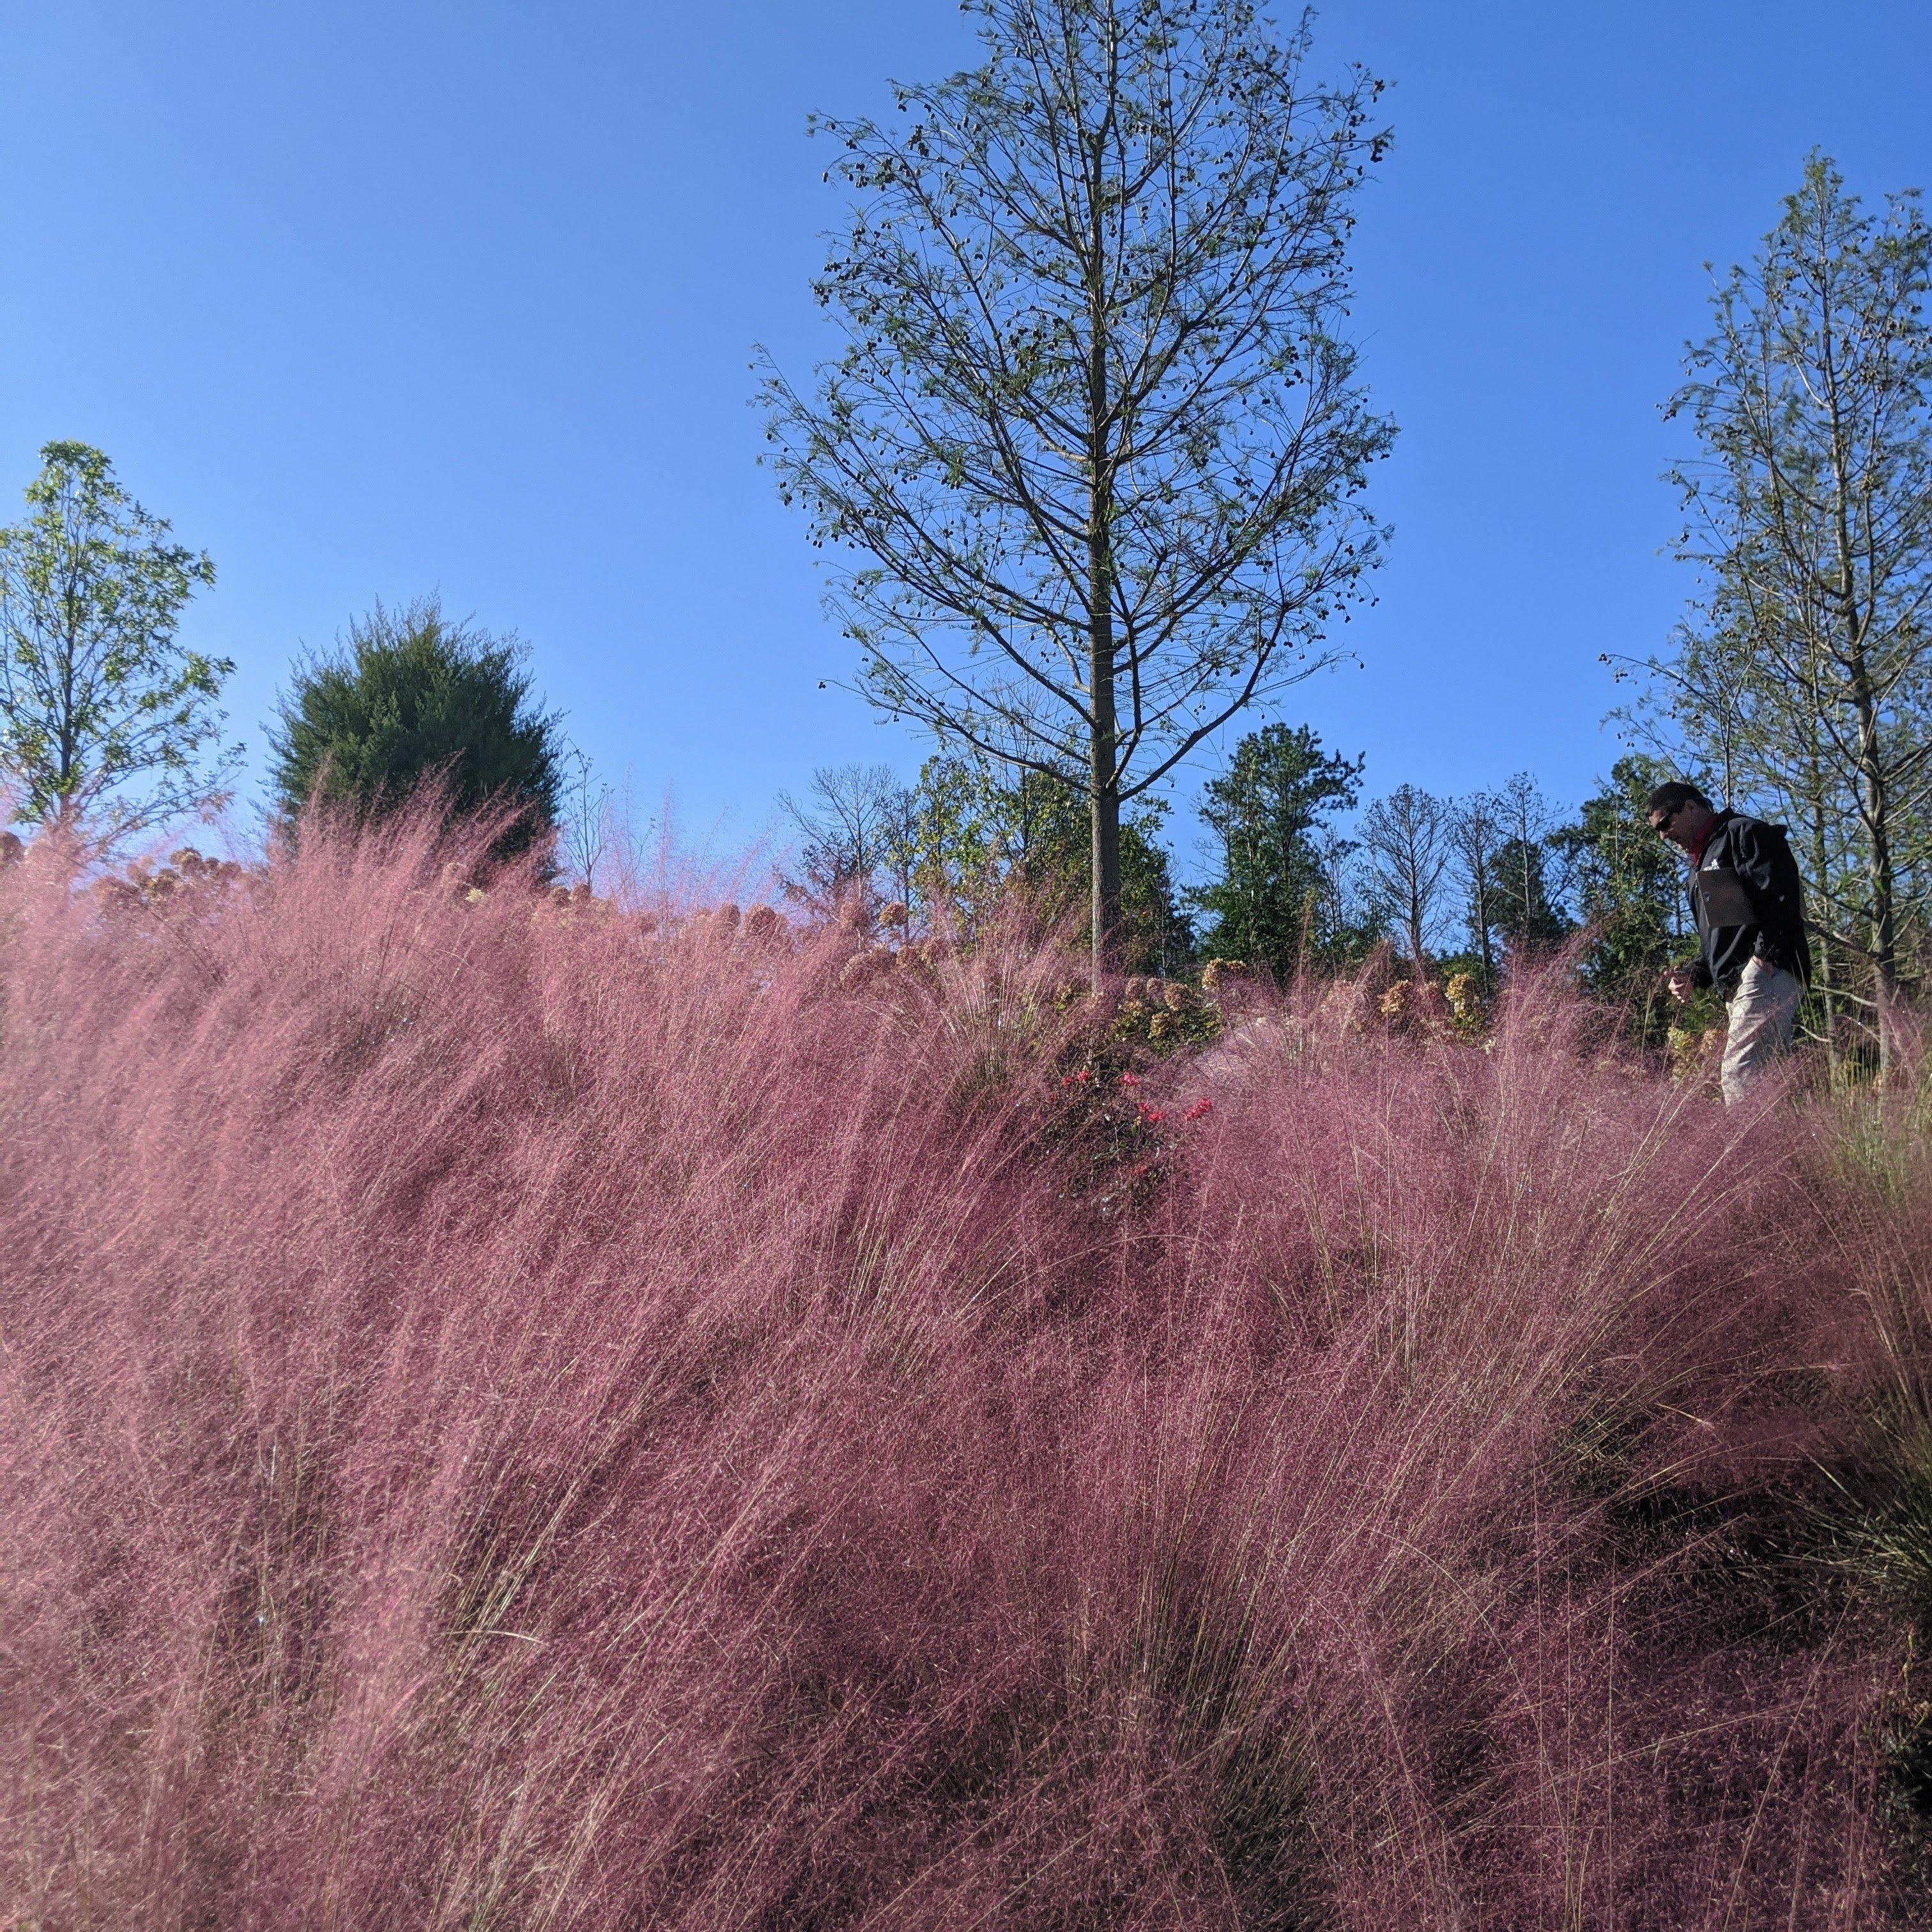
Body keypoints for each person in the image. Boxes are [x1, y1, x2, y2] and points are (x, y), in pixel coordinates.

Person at [1647, 781, 1811, 1105]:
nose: (1663, 836)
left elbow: (1783, 902)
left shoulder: (1745, 833)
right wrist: (1695, 975)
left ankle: (1750, 1155)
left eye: (1665, 824)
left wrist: (1761, 963)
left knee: (1740, 1075)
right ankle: (1791, 1153)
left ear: (1691, 808)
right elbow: (1727, 937)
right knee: (1768, 1084)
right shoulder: (1702, 863)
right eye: (1657, 831)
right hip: (1743, 984)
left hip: (1768, 974)